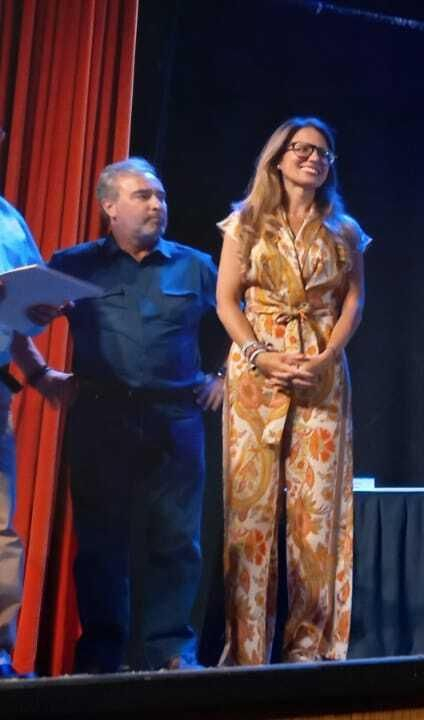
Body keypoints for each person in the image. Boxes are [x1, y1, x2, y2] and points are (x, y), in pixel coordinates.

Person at [29, 158, 221, 672]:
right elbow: (20, 318)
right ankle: (101, 658)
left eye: (159, 195)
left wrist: (224, 377)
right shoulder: (72, 264)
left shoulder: (196, 265)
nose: (157, 204)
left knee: (178, 540)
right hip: (100, 417)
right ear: (109, 207)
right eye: (142, 196)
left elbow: (238, 321)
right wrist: (41, 375)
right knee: (99, 543)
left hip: (176, 420)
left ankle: (171, 651)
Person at [216, 118, 368, 663]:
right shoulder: (245, 223)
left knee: (318, 512)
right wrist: (262, 355)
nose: (313, 158)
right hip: (258, 369)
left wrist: (327, 356)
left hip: (322, 372)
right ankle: (248, 648)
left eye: (323, 153)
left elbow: (354, 300)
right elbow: (227, 300)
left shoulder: (344, 230)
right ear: (278, 157)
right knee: (251, 511)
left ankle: (311, 645)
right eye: (301, 149)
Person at [0, 172, 72, 679]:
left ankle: (1, 653)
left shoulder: (9, 218)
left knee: (0, 531)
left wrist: (40, 372)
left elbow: (12, 314)